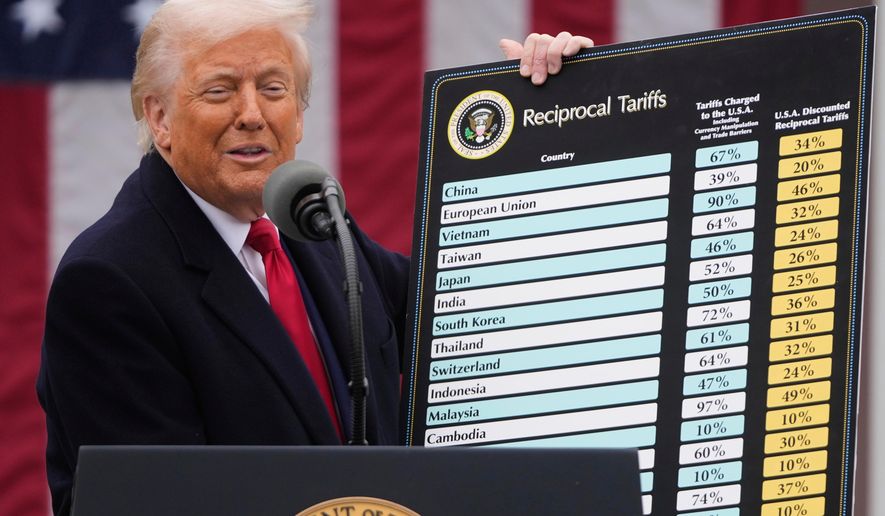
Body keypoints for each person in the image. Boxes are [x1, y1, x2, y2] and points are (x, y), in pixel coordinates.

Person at [35, 0, 593, 514]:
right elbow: (157, 502)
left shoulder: (315, 226)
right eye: (220, 90)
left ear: (299, 116)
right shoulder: (109, 281)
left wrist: (553, 117)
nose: (252, 113)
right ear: (159, 119)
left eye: (273, 88)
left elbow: (478, 315)